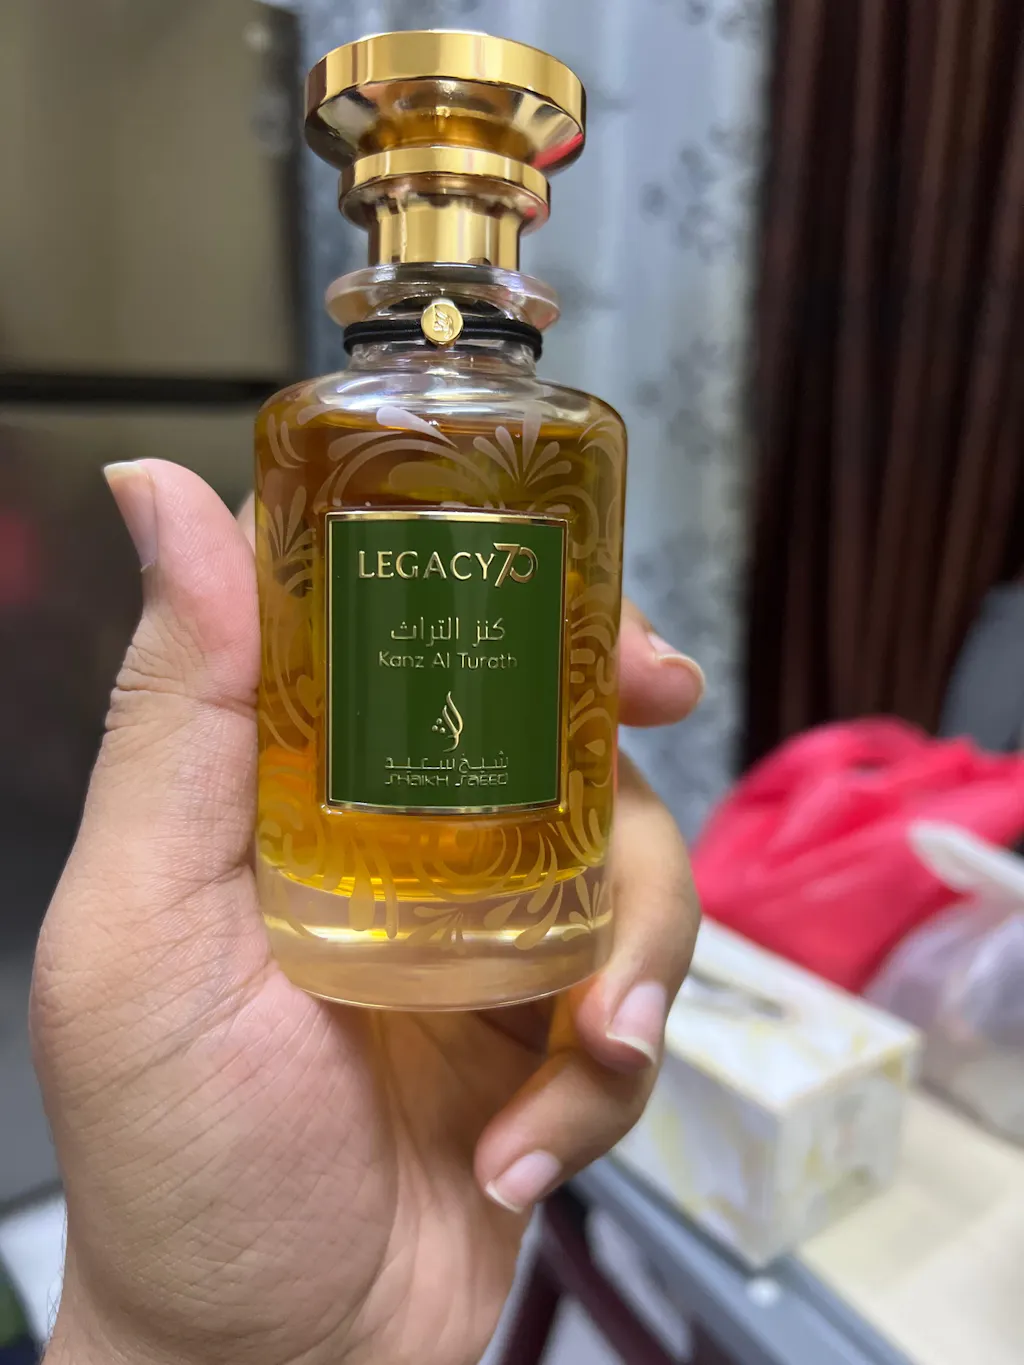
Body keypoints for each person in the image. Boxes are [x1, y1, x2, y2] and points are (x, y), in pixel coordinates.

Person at [34, 460, 703, 1365]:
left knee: (571, 671)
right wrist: (160, 1341)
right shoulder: (315, 446)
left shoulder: (568, 439)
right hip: (314, 970)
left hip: (444, 1062)